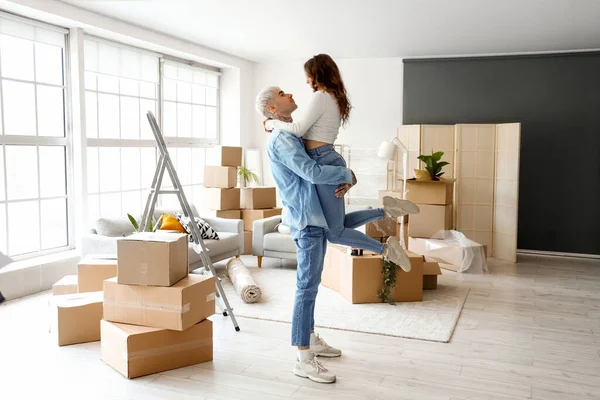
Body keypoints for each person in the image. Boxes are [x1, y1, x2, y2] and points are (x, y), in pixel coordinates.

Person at [256, 85, 418, 384]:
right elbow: (312, 173)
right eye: (282, 93)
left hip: (314, 213)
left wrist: (345, 176)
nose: (290, 93)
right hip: (306, 221)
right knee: (306, 288)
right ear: (272, 109)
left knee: (336, 233)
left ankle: (311, 337)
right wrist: (347, 174)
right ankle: (303, 357)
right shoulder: (283, 140)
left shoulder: (291, 135)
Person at [265, 54, 418, 272]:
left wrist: (272, 124)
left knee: (335, 233)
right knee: (339, 225)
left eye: (309, 77)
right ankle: (386, 210)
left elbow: (298, 129)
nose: (308, 82)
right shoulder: (333, 97)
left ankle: (385, 249)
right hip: (327, 156)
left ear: (319, 73)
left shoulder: (322, 96)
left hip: (322, 158)